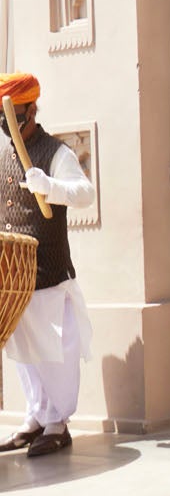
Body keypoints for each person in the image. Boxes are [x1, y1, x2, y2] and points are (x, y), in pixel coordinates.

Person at [0, 71, 94, 458]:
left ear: (30, 111)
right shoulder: (4, 150)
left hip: (49, 271)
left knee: (54, 351)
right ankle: (36, 416)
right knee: (23, 349)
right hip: (13, 276)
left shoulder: (56, 152)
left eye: (13, 117)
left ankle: (58, 423)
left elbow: (85, 193)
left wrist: (51, 188)